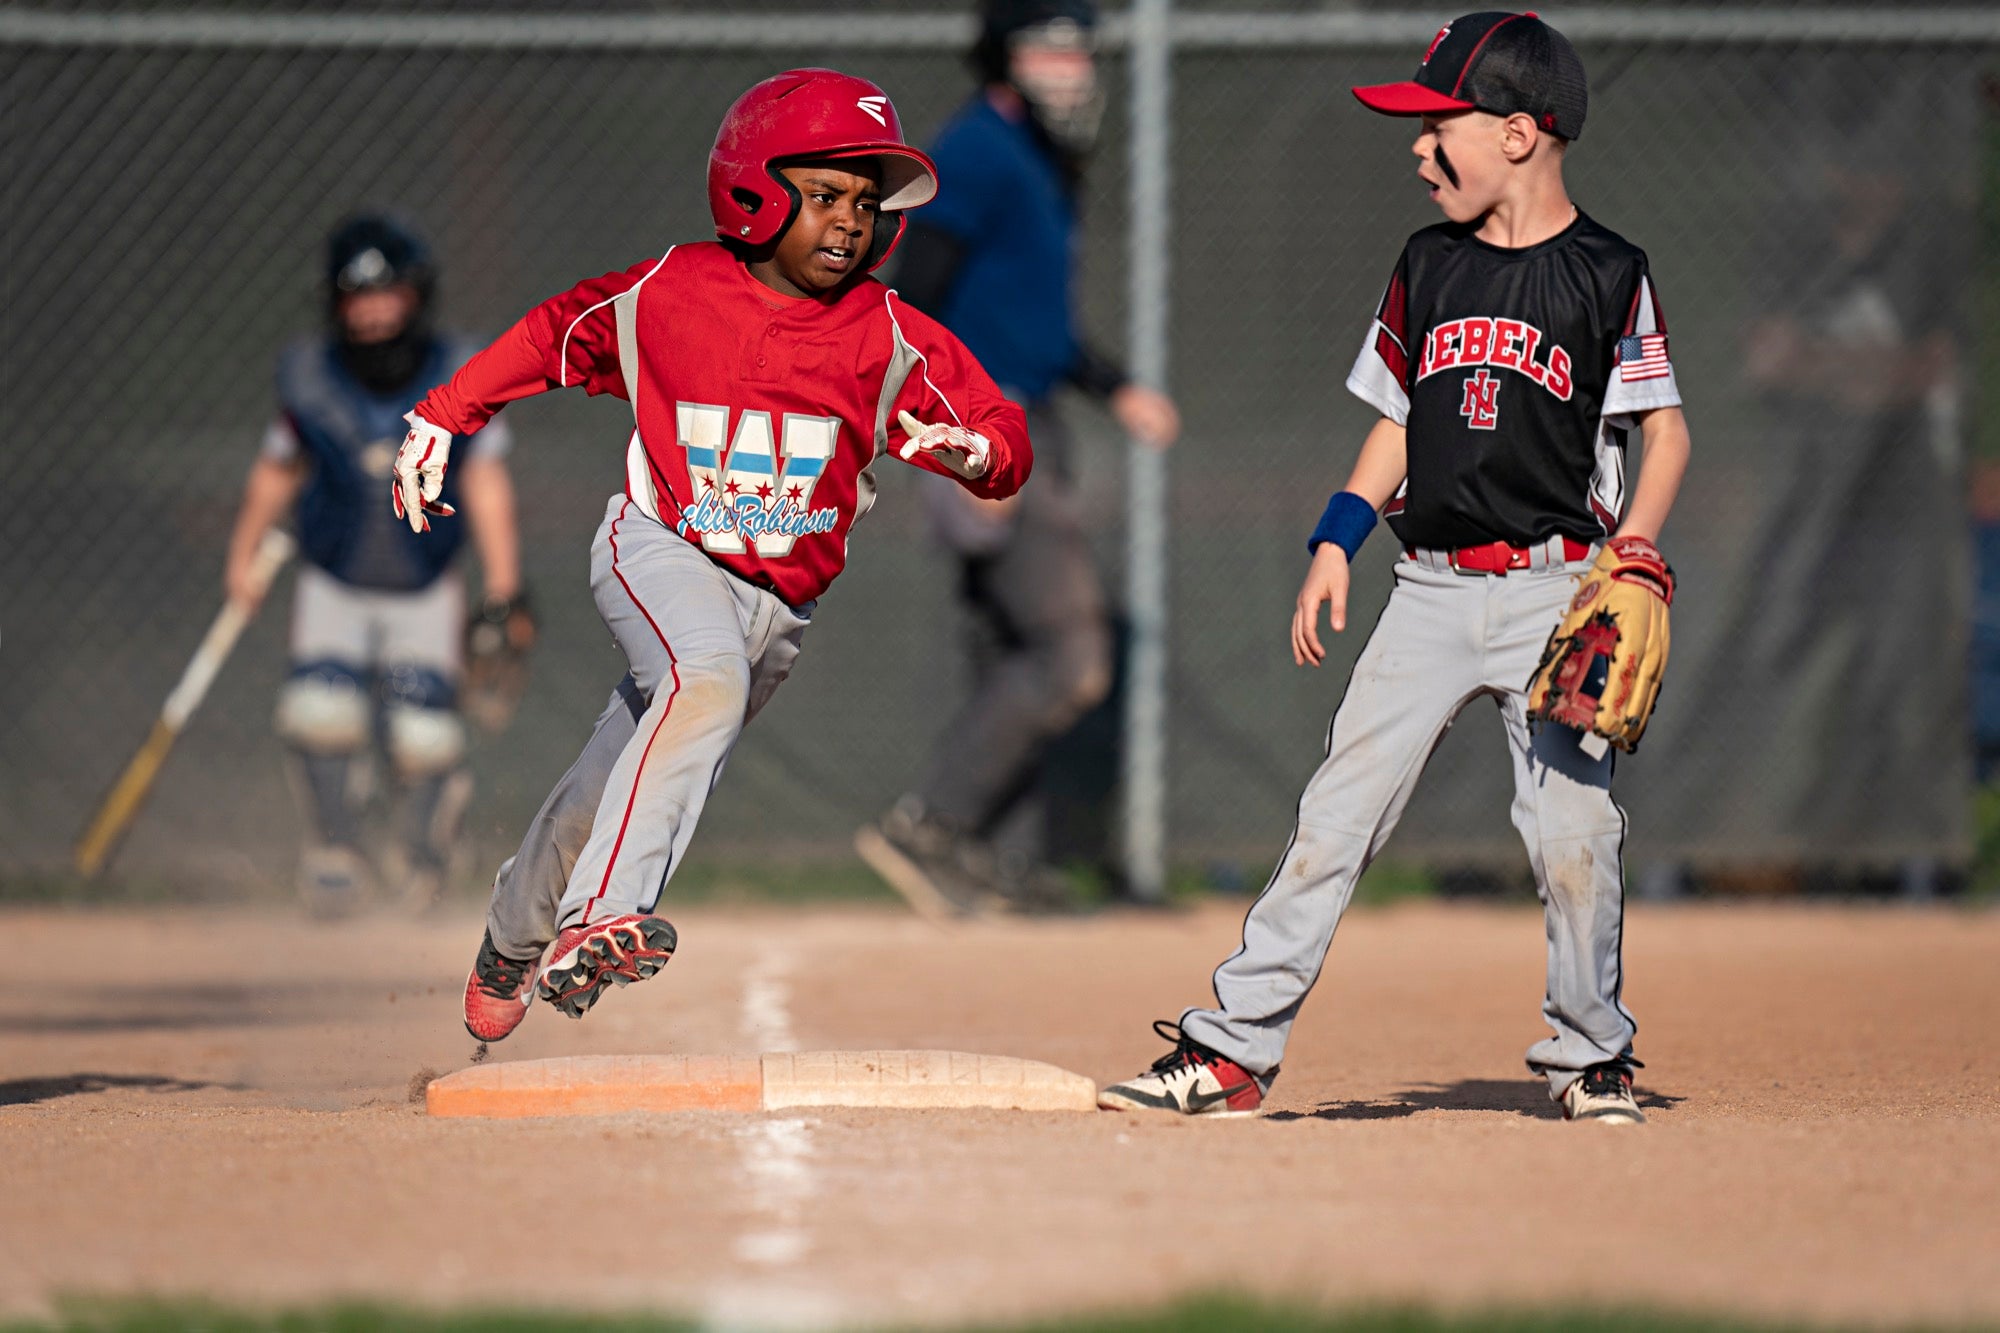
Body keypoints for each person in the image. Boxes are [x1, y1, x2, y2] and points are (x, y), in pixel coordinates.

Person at [1097, 11, 1691, 1124]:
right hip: (1425, 591)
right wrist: (1335, 536)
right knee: (1335, 817)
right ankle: (1229, 1051)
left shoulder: (1610, 274)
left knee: (1572, 833)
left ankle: (1588, 1052)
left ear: (1518, 134)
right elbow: (1395, 424)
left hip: (1557, 594)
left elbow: (1663, 430)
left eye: (1438, 126)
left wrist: (1638, 548)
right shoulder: (1426, 264)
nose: (1417, 149)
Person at [392, 69, 1032, 1043]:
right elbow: (549, 334)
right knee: (703, 676)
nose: (850, 221)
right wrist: (447, 411)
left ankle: (512, 933)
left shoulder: (888, 336)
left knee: (619, 771)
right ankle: (600, 914)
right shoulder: (672, 294)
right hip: (659, 547)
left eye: (864, 202)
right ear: (751, 189)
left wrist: (983, 454)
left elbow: (996, 429)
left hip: (779, 611)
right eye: (823, 194)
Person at [853, 0, 1181, 919]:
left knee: (1008, 646)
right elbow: (907, 299)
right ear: (1004, 60)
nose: (1073, 69)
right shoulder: (976, 154)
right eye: (1049, 48)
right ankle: (928, 823)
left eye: (1082, 51)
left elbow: (1038, 320)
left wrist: (1113, 383)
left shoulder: (1040, 161)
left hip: (1030, 413)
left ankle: (989, 860)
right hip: (981, 425)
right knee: (1072, 654)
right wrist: (956, 447)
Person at [223, 215, 526, 915]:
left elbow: (484, 481)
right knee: (320, 711)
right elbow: (278, 470)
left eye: (388, 293)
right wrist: (243, 554)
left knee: (425, 733)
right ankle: (335, 852)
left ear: (418, 295)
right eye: (358, 296)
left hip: (424, 580)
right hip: (334, 573)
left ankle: (421, 858)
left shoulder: (458, 372)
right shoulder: (310, 376)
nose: (374, 309)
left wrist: (503, 585)